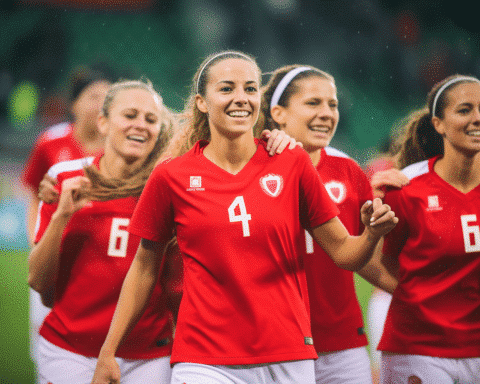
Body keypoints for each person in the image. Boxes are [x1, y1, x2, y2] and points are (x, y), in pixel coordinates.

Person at [91, 50, 398, 384]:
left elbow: (344, 252)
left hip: (288, 355)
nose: (241, 98)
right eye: (226, 89)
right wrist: (109, 350)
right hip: (203, 358)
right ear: (202, 102)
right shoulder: (171, 176)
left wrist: (370, 233)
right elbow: (144, 268)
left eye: (250, 89)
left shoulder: (292, 164)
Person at [28, 79, 179, 383]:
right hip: (71, 349)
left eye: (151, 119)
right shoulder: (65, 178)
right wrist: (61, 218)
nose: (141, 125)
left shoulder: (170, 188)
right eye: (130, 115)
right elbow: (39, 282)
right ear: (104, 122)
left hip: (149, 353)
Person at [259, 64, 399, 383]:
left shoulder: (347, 170)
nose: (326, 113)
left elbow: (365, 260)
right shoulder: (252, 167)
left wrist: (425, 297)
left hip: (343, 347)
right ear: (278, 113)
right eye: (313, 103)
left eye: (332, 104)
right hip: (274, 346)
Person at [378, 74, 480, 383]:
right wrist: (417, 298)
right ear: (438, 124)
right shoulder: (406, 187)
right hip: (420, 349)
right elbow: (372, 258)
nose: (477, 119)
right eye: (465, 110)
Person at [21, 63, 115, 379]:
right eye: (93, 95)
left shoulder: (120, 148)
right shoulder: (51, 141)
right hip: (52, 252)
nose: (100, 103)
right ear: (74, 103)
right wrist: (37, 234)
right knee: (45, 336)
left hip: (96, 256)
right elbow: (33, 190)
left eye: (106, 96)